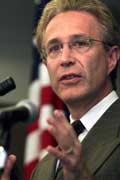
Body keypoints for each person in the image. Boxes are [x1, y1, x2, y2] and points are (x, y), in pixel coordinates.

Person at [1, 0, 120, 179]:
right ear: (46, 65)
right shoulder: (43, 168)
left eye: (80, 43)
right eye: (55, 48)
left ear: (111, 58)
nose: (65, 59)